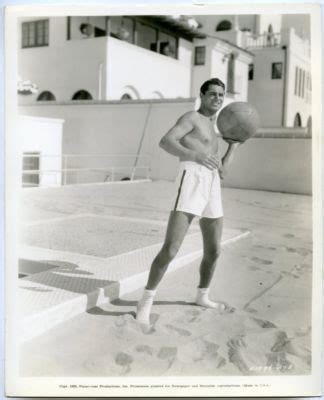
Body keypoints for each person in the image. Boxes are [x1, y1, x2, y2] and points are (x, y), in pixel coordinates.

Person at [136, 78, 240, 324]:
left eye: (221, 95)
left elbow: (223, 171)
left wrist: (234, 146)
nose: (217, 99)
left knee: (214, 250)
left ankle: (202, 295)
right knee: (171, 249)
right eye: (212, 94)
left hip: (212, 184)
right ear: (202, 96)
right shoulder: (191, 118)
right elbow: (165, 142)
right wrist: (194, 154)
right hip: (191, 179)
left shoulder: (215, 130)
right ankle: (145, 302)